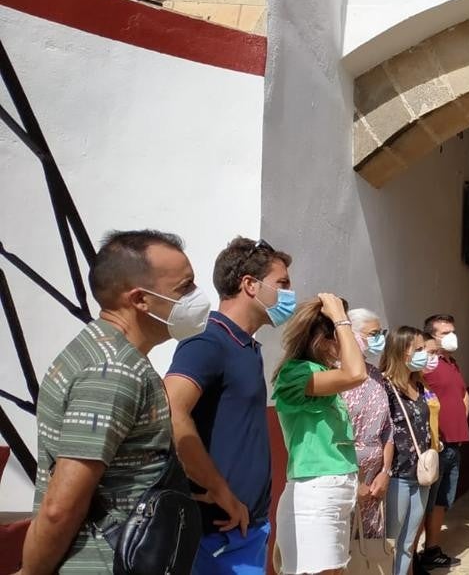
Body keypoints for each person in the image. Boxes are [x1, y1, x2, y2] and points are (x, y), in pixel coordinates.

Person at [22, 229, 210, 572]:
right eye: (184, 288)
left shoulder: (106, 351)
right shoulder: (113, 372)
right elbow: (61, 506)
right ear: (140, 299)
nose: (196, 298)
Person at [166, 236, 293, 574]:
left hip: (248, 529)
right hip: (216, 536)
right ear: (250, 284)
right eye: (282, 283)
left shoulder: (248, 347)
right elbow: (171, 412)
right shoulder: (209, 339)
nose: (289, 295)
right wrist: (220, 491)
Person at [271, 295, 367, 575]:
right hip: (314, 494)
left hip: (333, 491)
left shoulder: (322, 373)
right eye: (340, 334)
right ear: (323, 340)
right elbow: (356, 373)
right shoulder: (296, 374)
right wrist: (340, 317)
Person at [380, 326, 439, 575]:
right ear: (403, 352)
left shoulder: (419, 386)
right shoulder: (385, 386)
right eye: (419, 349)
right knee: (391, 542)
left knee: (408, 542)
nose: (425, 354)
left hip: (421, 474)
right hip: (397, 475)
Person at [419, 313, 469, 571]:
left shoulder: (452, 363)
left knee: (442, 500)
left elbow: (462, 394)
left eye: (453, 330)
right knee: (424, 501)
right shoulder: (425, 365)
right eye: (445, 332)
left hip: (454, 443)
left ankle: (432, 549)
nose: (452, 336)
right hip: (435, 446)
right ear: (430, 337)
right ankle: (411, 556)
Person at [341, 307, 394, 539]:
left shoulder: (376, 376)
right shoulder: (334, 375)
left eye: (380, 333)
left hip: (375, 483)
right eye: (373, 334)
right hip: (343, 478)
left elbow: (388, 429)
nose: (379, 339)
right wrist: (353, 482)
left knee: (369, 549)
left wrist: (385, 472)